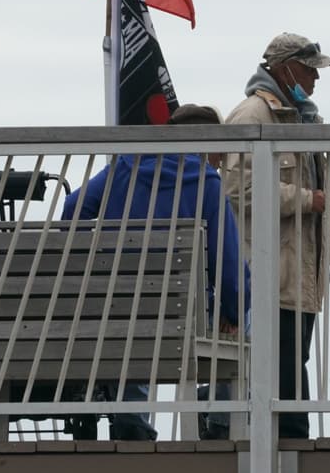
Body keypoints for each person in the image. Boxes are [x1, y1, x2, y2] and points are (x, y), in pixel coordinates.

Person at [62, 104, 250, 441]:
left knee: (134, 321)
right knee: (248, 318)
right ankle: (221, 423)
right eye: (220, 149)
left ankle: (132, 419)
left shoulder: (124, 167)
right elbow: (229, 264)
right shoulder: (206, 182)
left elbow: (74, 208)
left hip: (119, 310)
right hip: (185, 315)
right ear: (205, 143)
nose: (221, 159)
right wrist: (235, 310)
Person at [223, 33, 330, 439]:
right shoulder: (251, 115)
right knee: (277, 367)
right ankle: (288, 443)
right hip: (265, 274)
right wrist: (305, 199)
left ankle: (289, 440)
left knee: (292, 361)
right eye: (308, 70)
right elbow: (237, 189)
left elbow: (329, 200)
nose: (315, 79)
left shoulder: (307, 121)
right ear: (284, 69)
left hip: (300, 274)